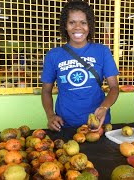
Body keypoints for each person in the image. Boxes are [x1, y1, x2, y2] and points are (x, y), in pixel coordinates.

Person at [41, 0, 119, 132]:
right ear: (65, 26)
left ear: (89, 26)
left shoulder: (102, 51)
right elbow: (46, 91)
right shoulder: (53, 55)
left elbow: (114, 88)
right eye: (72, 22)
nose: (78, 27)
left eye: (83, 22)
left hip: (98, 124)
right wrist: (50, 115)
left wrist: (104, 108)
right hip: (65, 125)